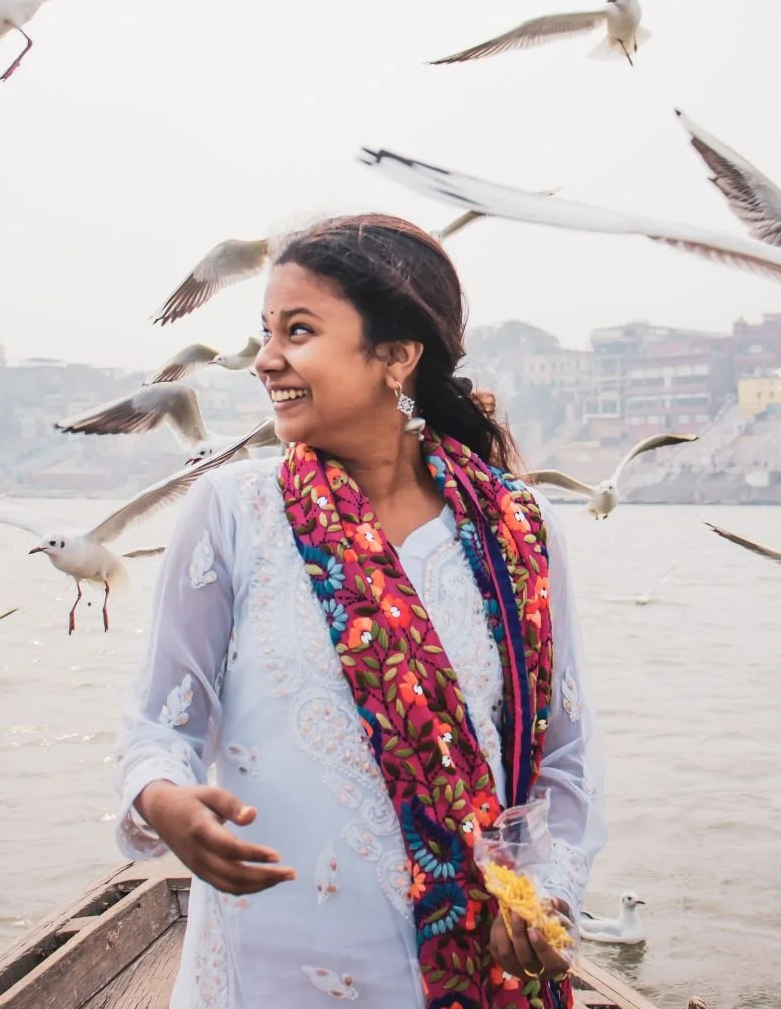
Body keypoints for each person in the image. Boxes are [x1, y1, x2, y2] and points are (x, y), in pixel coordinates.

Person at [114, 214, 605, 1008]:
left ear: (398, 356)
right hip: (268, 958)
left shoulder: (516, 529)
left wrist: (547, 895)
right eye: (265, 332)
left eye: (298, 331)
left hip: (462, 963)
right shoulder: (234, 510)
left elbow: (563, 762)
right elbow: (157, 726)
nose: (265, 361)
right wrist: (165, 800)